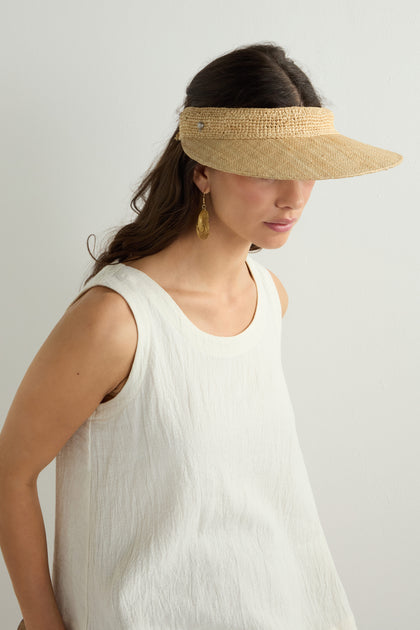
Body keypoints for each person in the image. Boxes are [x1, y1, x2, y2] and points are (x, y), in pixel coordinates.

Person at [0, 42, 402, 630]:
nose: (293, 196)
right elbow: (10, 474)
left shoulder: (268, 298)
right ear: (203, 170)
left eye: (307, 168)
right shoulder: (116, 320)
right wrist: (44, 625)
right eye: (267, 169)